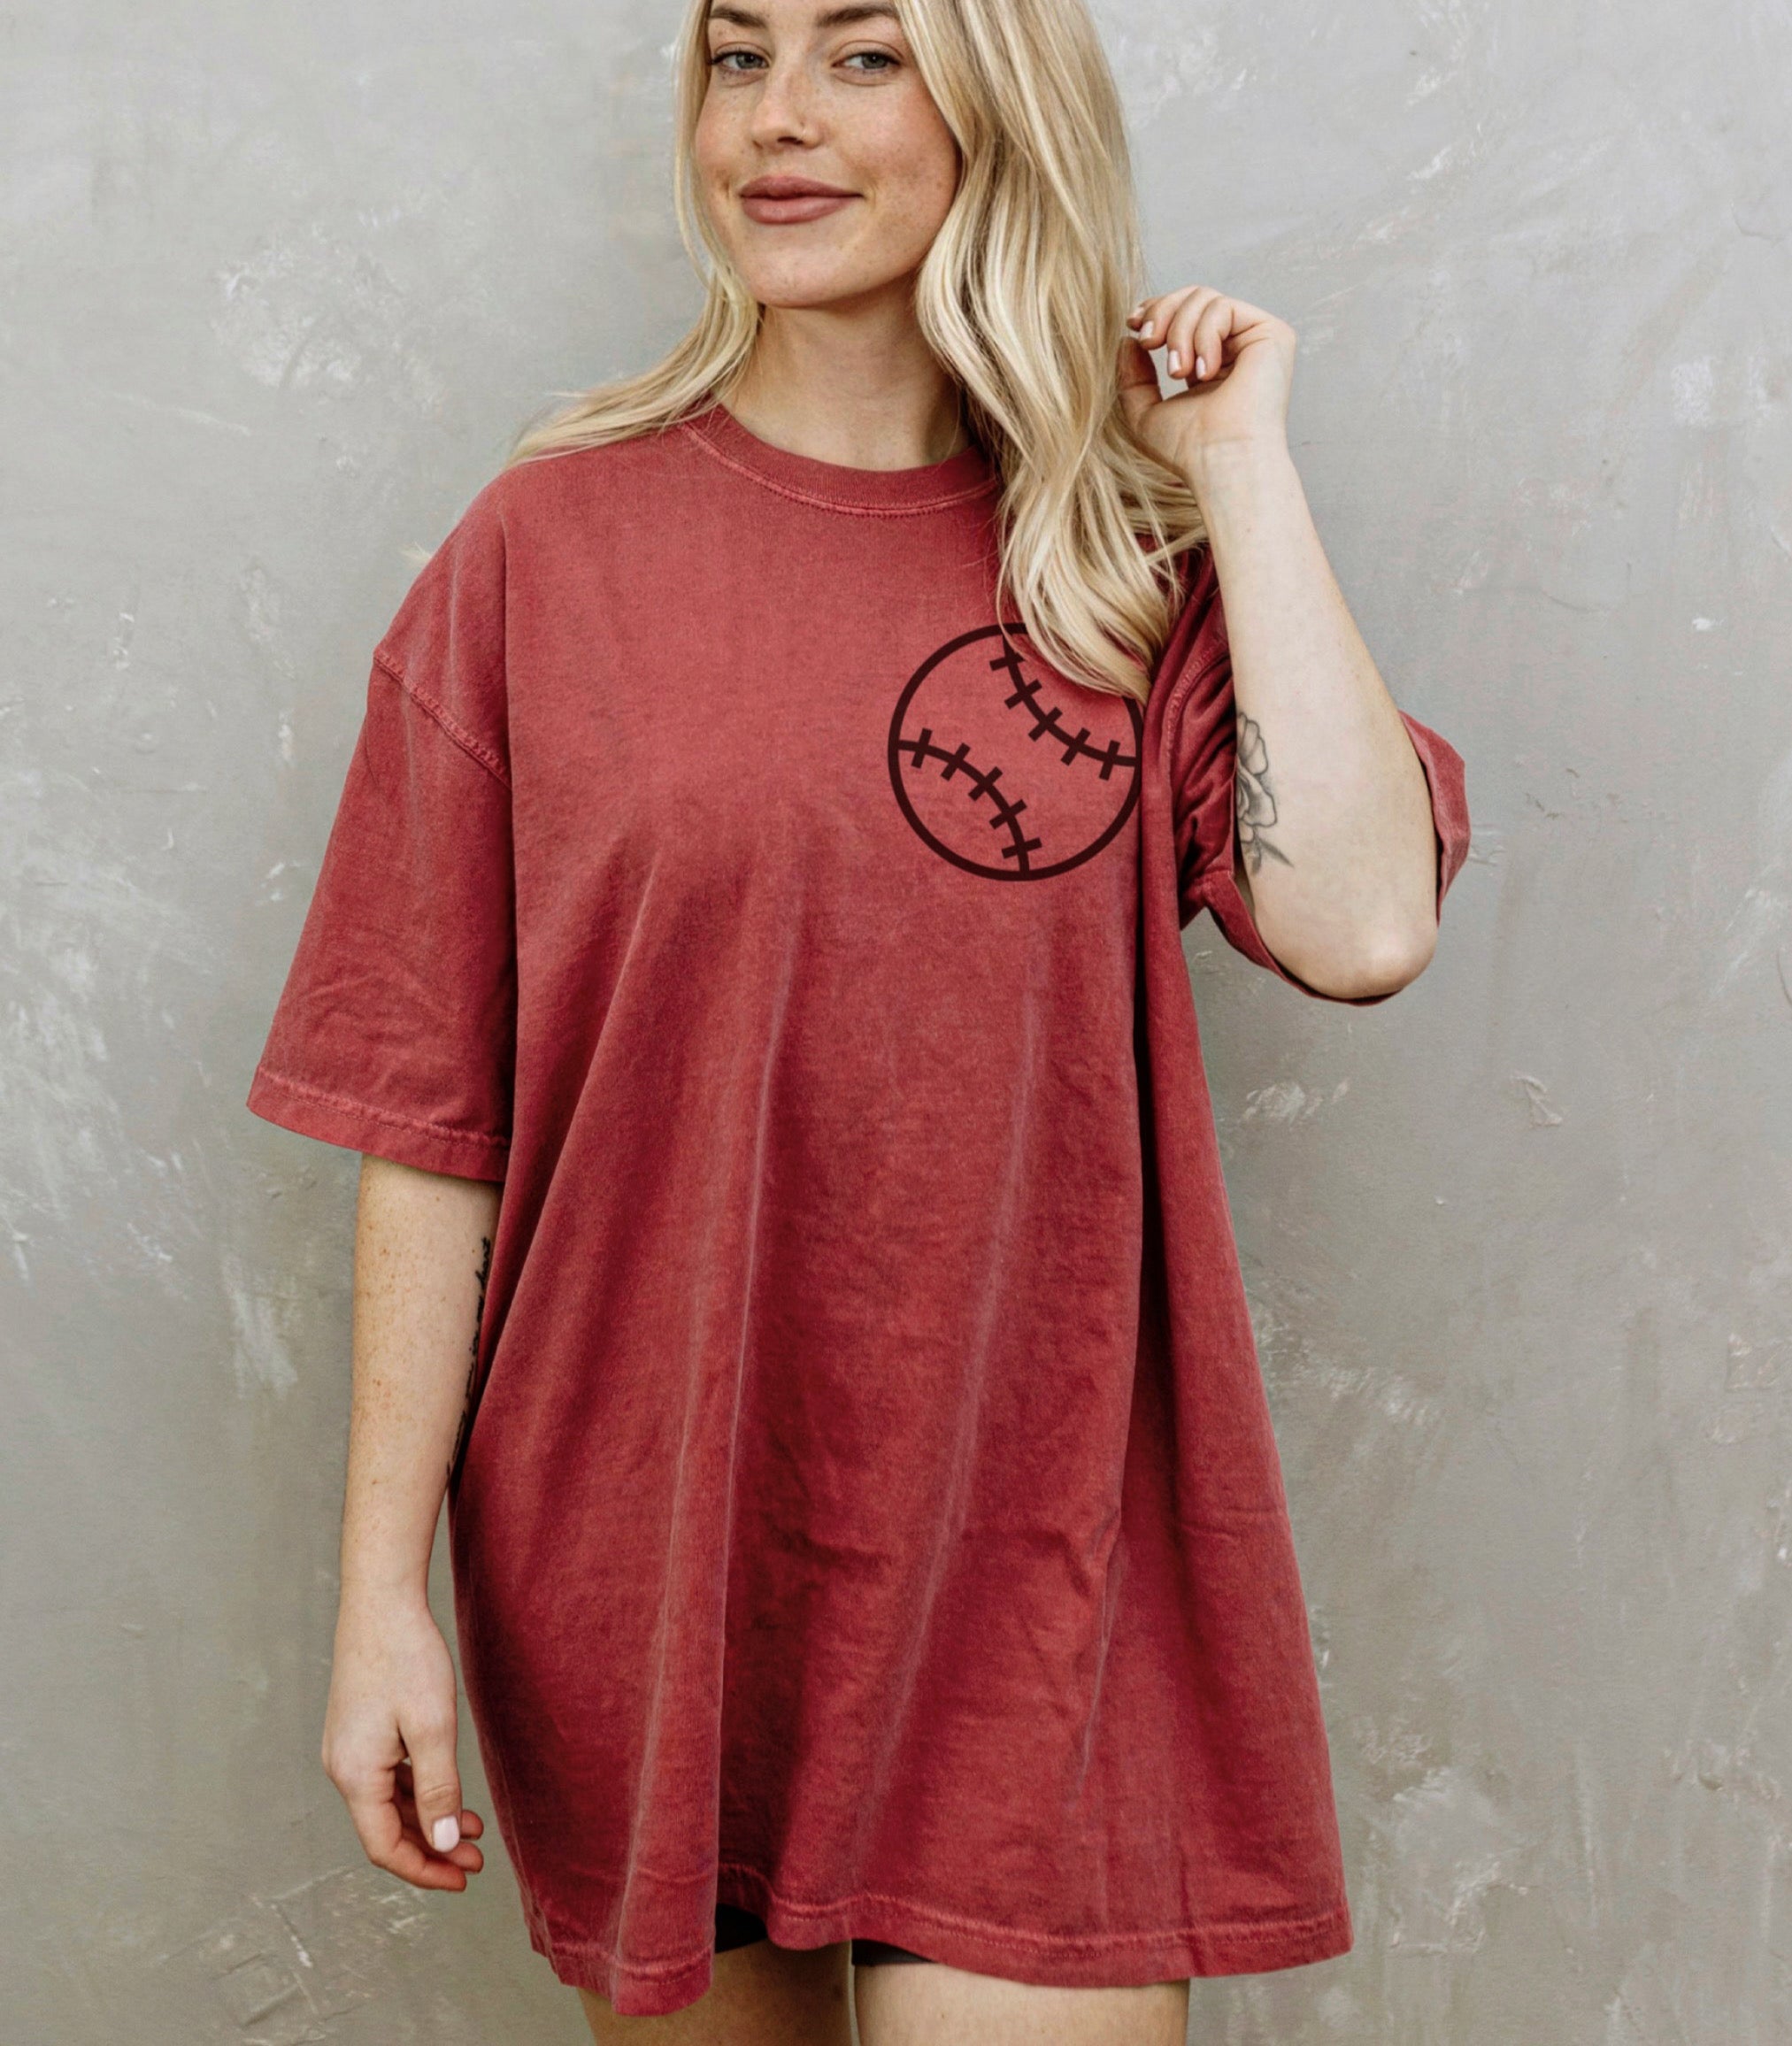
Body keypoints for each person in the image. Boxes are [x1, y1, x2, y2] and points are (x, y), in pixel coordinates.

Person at [243, 0, 1471, 2039]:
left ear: (999, 105)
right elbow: (430, 1113)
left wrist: (1236, 472)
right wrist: (378, 1597)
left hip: (1042, 1560)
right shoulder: (546, 548)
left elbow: (1358, 925)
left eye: (863, 54)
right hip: (656, 1542)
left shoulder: (1122, 573)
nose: (777, 121)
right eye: (736, 59)